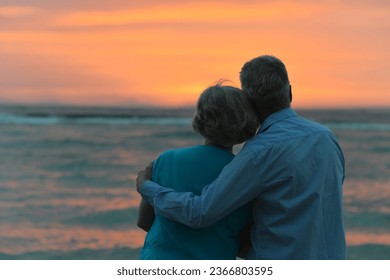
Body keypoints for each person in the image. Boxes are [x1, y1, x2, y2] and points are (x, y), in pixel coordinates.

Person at [137, 55, 346, 259]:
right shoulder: (326, 137)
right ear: (289, 92)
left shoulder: (259, 152)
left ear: (249, 103)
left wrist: (146, 187)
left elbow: (201, 212)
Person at [137, 82, 259, 259]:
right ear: (244, 123)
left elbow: (143, 221)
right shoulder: (244, 175)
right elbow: (245, 243)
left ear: (201, 119)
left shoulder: (167, 159)